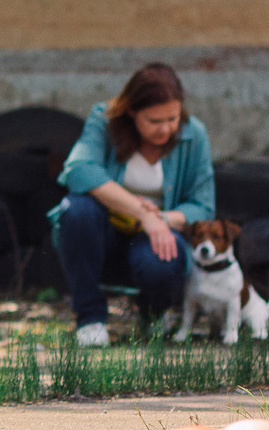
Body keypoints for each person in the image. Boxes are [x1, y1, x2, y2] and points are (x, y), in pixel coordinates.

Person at [52, 64, 215, 347]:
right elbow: (78, 169)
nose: (165, 128)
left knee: (164, 255)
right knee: (76, 209)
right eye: (154, 121)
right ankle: (90, 320)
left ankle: (153, 314)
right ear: (131, 111)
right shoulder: (103, 121)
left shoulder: (194, 135)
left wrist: (159, 220)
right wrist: (141, 213)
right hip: (104, 234)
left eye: (172, 118)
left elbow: (203, 207)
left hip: (154, 239)